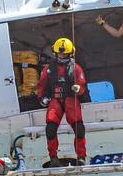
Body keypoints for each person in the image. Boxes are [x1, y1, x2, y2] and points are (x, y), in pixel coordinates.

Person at [37, 38, 87, 168]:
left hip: (71, 99)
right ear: (55, 53)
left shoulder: (76, 68)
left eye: (65, 54)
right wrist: (42, 98)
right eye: (60, 54)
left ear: (70, 54)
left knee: (79, 129)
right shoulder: (48, 69)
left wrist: (78, 89)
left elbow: (82, 85)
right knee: (50, 129)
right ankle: (53, 157)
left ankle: (81, 157)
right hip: (55, 100)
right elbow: (41, 85)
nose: (62, 56)